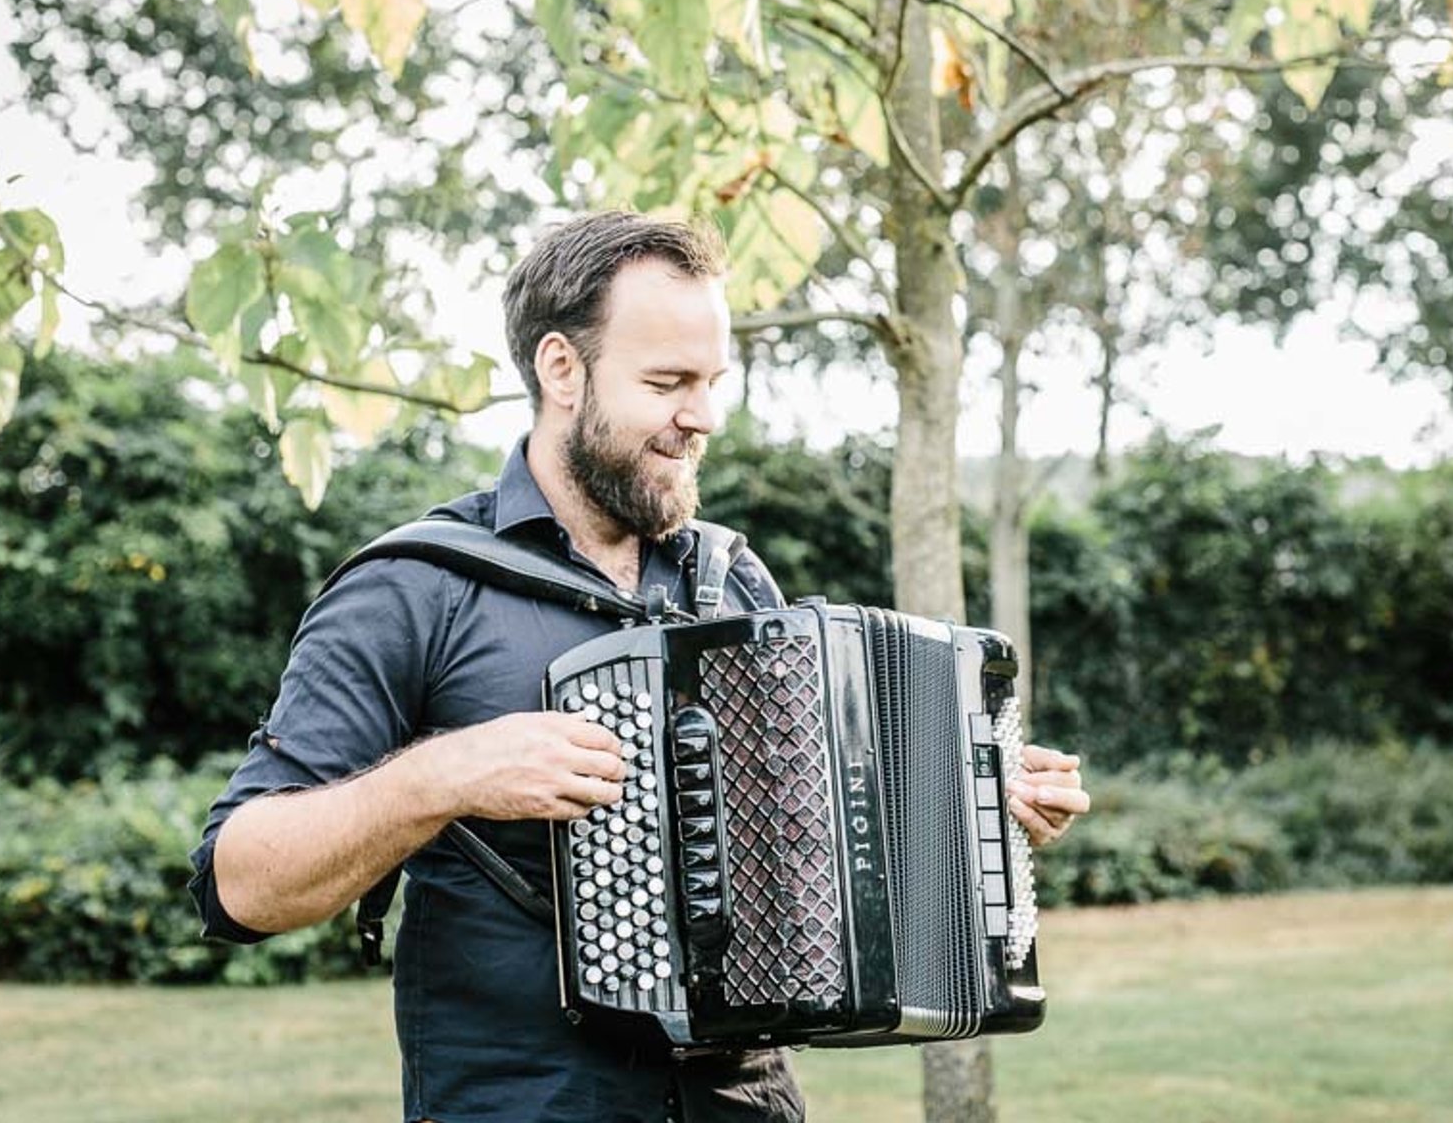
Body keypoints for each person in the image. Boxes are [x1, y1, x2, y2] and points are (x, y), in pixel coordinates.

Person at [188, 211, 1091, 1123]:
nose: (700, 417)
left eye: (711, 383)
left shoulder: (730, 579)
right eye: (667, 382)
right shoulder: (413, 588)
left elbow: (820, 832)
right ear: (561, 370)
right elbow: (241, 882)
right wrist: (444, 774)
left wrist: (970, 795)